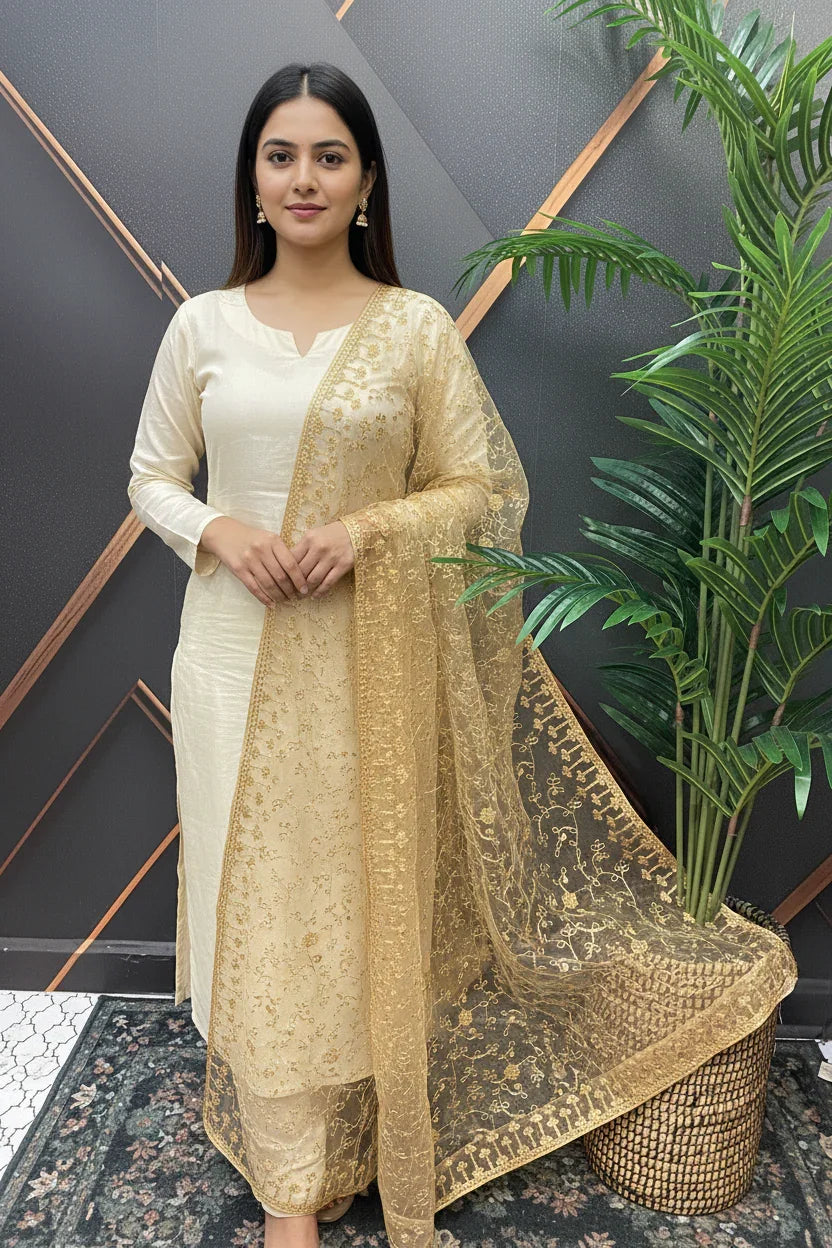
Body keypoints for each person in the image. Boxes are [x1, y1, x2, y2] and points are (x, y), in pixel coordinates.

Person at [127, 61, 798, 1248]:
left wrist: (364, 533)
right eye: (279, 155)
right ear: (252, 178)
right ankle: (292, 1181)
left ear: (368, 182)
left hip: (368, 675)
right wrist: (223, 531)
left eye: (328, 155)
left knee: (348, 902)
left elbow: (486, 490)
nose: (302, 177)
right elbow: (149, 477)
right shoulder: (203, 326)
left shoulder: (412, 331)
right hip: (232, 658)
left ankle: (350, 1134)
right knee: (258, 898)